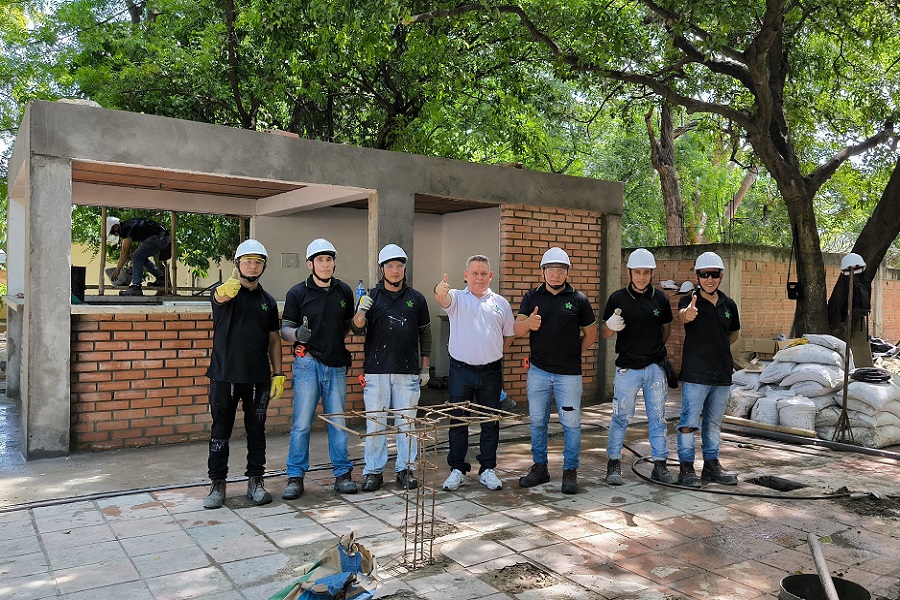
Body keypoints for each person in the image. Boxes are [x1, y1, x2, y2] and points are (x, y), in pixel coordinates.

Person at [203, 239, 284, 509]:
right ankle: (217, 483)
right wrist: (226, 290)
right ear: (237, 264)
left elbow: (274, 339)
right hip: (224, 376)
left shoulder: (268, 302)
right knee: (220, 431)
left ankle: (256, 481)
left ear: (263, 267)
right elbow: (219, 297)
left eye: (258, 262)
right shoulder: (225, 292)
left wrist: (278, 373)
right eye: (248, 261)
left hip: (257, 378)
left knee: (256, 431)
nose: (253, 266)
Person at [514, 248, 598, 495]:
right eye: (550, 270)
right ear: (542, 272)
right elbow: (517, 329)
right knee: (538, 422)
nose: (555, 274)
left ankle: (570, 472)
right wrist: (528, 324)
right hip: (538, 373)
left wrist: (573, 353)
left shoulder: (579, 299)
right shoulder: (531, 297)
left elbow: (591, 334)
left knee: (571, 424)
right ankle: (540, 468)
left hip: (568, 376)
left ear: (567, 272)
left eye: (560, 270)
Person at [350, 244, 432, 492]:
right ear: (382, 269)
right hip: (376, 371)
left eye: (399, 266)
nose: (395, 271)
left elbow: (425, 334)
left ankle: (405, 469)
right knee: (375, 423)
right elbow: (356, 329)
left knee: (406, 423)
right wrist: (361, 312)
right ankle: (373, 472)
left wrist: (425, 367)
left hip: (407, 372)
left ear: (404, 268)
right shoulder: (371, 297)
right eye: (390, 266)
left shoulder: (416, 298)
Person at [281, 238, 358, 498]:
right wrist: (298, 335)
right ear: (310, 264)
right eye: (320, 260)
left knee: (337, 422)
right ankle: (295, 476)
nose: (325, 264)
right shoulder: (297, 293)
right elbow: (284, 331)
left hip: (336, 365)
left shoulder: (344, 291)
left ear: (334, 262)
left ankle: (342, 474)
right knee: (302, 422)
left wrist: (335, 339)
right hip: (307, 364)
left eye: (329, 259)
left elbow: (348, 324)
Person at [434, 255, 515, 491]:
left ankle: (488, 469)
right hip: (461, 371)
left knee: (490, 421)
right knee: (458, 420)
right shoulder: (458, 298)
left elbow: (507, 336)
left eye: (483, 273)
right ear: (465, 276)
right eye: (474, 273)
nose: (479, 278)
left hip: (491, 373)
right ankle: (457, 469)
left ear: (490, 276)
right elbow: (443, 298)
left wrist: (493, 352)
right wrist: (440, 290)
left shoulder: (501, 303)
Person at [601, 248, 676, 485]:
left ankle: (660, 465)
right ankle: (613, 465)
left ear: (652, 273)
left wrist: (652, 351)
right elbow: (604, 332)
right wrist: (610, 325)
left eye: (646, 272)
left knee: (658, 417)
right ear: (629, 272)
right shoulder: (617, 298)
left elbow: (666, 329)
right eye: (637, 272)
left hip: (654, 367)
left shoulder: (660, 299)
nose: (641, 277)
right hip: (627, 368)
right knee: (621, 416)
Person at [676, 251, 741, 487]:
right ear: (698, 276)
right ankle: (686, 468)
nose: (709, 279)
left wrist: (718, 346)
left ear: (721, 276)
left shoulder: (728, 304)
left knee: (713, 423)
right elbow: (683, 316)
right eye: (704, 275)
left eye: (714, 274)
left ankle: (711, 465)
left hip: (722, 373)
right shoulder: (689, 301)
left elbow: (733, 333)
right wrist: (688, 314)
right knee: (688, 422)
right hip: (696, 374)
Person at [106, 216, 171, 296]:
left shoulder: (127, 227)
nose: (115, 235)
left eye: (113, 233)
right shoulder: (128, 225)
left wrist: (118, 269)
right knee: (139, 257)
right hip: (163, 237)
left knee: (136, 256)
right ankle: (161, 278)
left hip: (160, 237)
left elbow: (125, 251)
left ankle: (136, 287)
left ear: (116, 227)